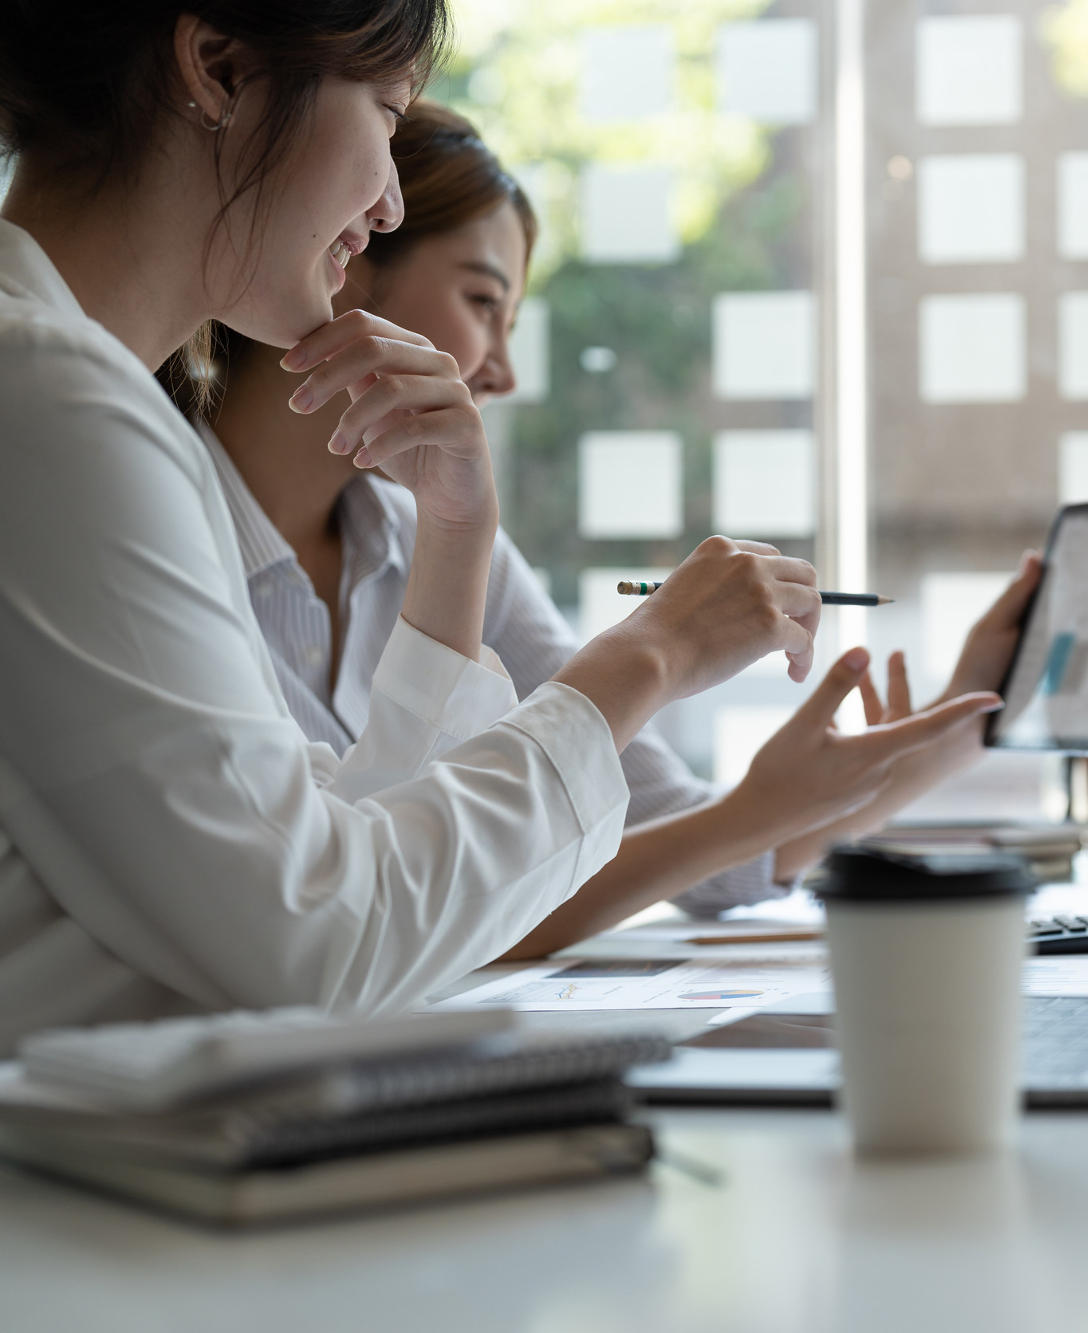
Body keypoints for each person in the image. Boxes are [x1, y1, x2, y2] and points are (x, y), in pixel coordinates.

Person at [0, 3, 1002, 1052]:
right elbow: (320, 942)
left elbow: (342, 861)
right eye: (386, 114)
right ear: (213, 68)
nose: (386, 203)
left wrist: (456, 537)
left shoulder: (91, 414)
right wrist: (647, 658)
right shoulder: (57, 405)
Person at [187, 101, 1043, 955]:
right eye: (483, 300)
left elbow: (694, 846)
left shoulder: (430, 536)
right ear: (348, 251)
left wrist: (952, 726)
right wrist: (663, 663)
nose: (502, 370)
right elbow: (405, 913)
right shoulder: (165, 526)